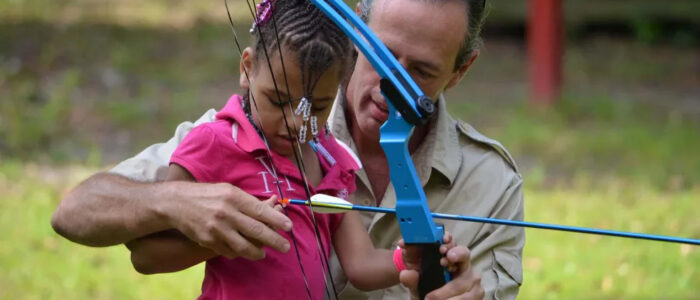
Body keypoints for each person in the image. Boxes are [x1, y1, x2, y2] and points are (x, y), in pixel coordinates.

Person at [52, 0, 523, 298]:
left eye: (418, 72)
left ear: (459, 72)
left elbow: (362, 266)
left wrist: (416, 265)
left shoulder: (491, 184)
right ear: (356, 39)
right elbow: (82, 216)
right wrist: (183, 206)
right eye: (380, 56)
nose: (389, 89)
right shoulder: (233, 134)